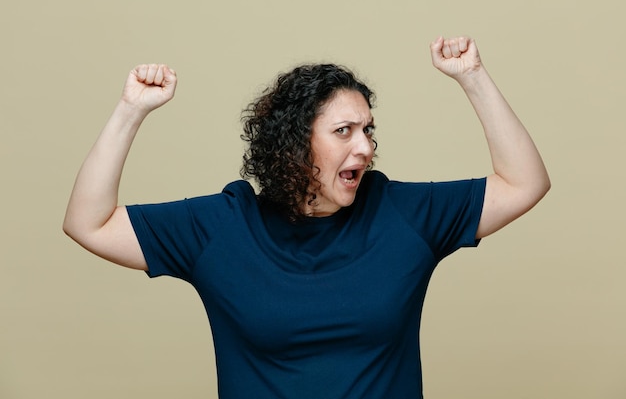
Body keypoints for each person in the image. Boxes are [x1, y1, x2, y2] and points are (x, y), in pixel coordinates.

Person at [63, 36, 550, 398]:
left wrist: (473, 77)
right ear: (295, 145)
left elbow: (524, 182)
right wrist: (131, 110)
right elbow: (89, 223)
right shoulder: (223, 227)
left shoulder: (401, 214)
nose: (366, 147)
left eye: (368, 130)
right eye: (344, 130)